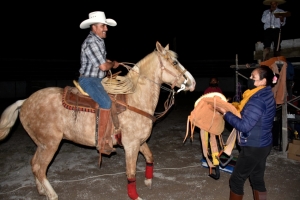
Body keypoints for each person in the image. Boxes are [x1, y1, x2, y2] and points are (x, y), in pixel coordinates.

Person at [215, 66, 276, 200]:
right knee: (257, 178)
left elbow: (245, 126)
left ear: (263, 81)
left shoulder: (257, 99)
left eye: (253, 77)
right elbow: (251, 115)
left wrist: (225, 113)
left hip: (254, 146)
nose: (249, 79)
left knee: (236, 180)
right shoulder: (265, 93)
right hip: (263, 144)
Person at [78, 11, 119, 154]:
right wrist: (111, 64)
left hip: (98, 78)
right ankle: (102, 141)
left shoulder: (98, 41)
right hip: (89, 80)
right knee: (106, 102)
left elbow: (102, 61)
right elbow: (102, 66)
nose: (106, 29)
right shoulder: (91, 42)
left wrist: (111, 62)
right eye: (103, 26)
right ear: (94, 27)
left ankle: (114, 130)